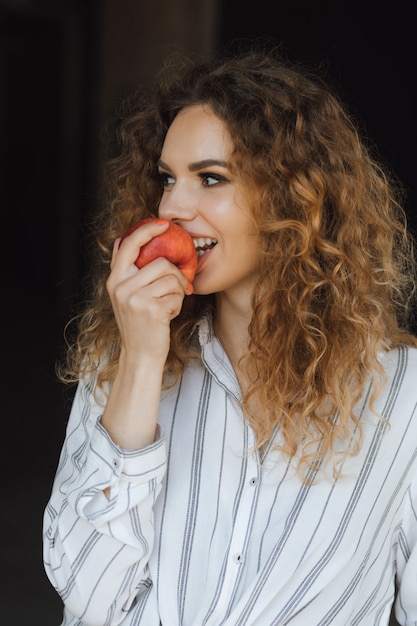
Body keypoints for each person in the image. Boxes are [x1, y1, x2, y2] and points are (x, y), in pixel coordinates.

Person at [43, 44, 417, 626]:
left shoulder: (404, 396)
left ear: (296, 198)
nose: (172, 206)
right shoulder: (125, 356)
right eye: (167, 179)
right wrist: (141, 361)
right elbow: (88, 598)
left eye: (210, 178)